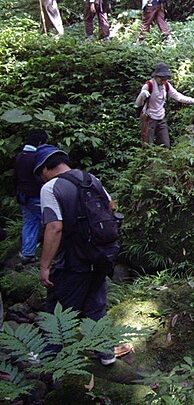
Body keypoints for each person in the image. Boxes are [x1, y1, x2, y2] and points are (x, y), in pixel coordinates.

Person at [34, 144, 117, 365]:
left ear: (44, 169)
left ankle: (49, 360)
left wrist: (44, 266)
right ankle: (106, 353)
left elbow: (55, 227)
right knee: (96, 306)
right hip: (100, 255)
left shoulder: (51, 188)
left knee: (58, 311)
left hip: (73, 260)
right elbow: (110, 206)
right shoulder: (91, 178)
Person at [135, 62, 194, 148]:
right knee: (147, 145)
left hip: (161, 117)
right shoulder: (148, 86)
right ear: (156, 77)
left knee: (166, 145)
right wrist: (142, 95)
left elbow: (178, 96)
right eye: (161, 79)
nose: (163, 81)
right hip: (149, 118)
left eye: (165, 79)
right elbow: (137, 104)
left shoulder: (166, 85)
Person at [14, 129, 49, 265]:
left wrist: (15, 193)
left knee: (29, 223)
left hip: (23, 196)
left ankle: (27, 254)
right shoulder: (36, 157)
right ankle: (57, 254)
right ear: (40, 142)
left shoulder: (20, 156)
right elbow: (39, 177)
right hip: (36, 196)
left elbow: (15, 177)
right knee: (51, 222)